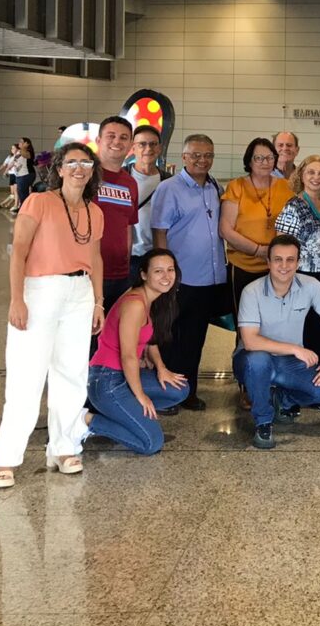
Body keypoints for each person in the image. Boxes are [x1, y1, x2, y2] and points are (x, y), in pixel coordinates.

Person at [0, 143, 105, 488]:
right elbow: (19, 252)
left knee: (71, 374)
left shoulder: (94, 211)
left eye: (85, 163)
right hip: (40, 291)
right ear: (58, 168)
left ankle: (64, 447)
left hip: (80, 293)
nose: (79, 169)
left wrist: (98, 301)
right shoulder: (38, 202)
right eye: (72, 163)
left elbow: (95, 258)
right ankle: (7, 458)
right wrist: (17, 299)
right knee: (27, 375)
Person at [238, 235, 320, 449]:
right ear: (268, 262)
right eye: (278, 259)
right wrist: (295, 348)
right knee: (259, 361)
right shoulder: (252, 291)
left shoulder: (311, 285)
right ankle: (263, 422)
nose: (284, 266)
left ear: (298, 262)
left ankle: (282, 400)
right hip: (252, 361)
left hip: (288, 363)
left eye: (290, 260)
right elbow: (250, 341)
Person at [150, 134, 231, 411]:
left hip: (207, 280)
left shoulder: (214, 187)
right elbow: (159, 232)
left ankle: (189, 392)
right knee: (170, 337)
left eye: (208, 155)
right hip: (179, 279)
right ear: (184, 157)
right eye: (195, 155)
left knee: (195, 339)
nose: (202, 160)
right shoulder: (168, 188)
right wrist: (164, 275)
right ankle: (166, 395)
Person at [85, 248, 188, 454]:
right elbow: (129, 355)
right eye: (158, 271)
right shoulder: (135, 304)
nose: (166, 276)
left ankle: (125, 414)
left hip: (121, 376)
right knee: (151, 443)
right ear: (143, 274)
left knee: (179, 388)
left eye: (170, 269)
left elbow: (149, 339)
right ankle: (84, 421)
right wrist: (140, 395)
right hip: (107, 380)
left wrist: (161, 368)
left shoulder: (149, 299)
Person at [220, 137, 295, 330]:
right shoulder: (236, 186)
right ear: (249, 161)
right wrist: (258, 250)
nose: (264, 162)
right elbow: (225, 229)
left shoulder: (285, 187)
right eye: (259, 158)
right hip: (243, 267)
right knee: (245, 325)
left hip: (277, 268)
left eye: (269, 158)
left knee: (274, 323)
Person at [274, 155, 320, 373]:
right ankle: (298, 381)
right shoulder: (294, 206)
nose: (316, 177)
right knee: (302, 329)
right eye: (311, 172)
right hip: (301, 278)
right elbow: (281, 246)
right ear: (301, 175)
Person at [91, 118, 139, 332]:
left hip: (120, 275)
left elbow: (128, 225)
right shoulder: (85, 176)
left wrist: (126, 266)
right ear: (99, 140)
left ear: (130, 145)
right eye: (111, 136)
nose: (117, 142)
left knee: (112, 338)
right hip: (88, 274)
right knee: (86, 338)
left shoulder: (130, 183)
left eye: (123, 138)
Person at [129, 125, 167, 279]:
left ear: (160, 148)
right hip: (129, 257)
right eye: (142, 144)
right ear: (133, 148)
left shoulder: (169, 181)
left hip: (157, 255)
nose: (148, 149)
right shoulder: (122, 177)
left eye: (153, 144)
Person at [11, 137, 35, 214]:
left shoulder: (28, 151)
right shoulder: (19, 152)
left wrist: (23, 148)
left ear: (27, 144)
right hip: (19, 175)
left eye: (21, 142)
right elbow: (14, 161)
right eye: (19, 141)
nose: (19, 143)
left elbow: (25, 155)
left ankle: (25, 208)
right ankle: (23, 207)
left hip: (27, 174)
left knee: (23, 192)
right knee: (21, 192)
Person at [0, 143, 19, 209]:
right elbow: (4, 165)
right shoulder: (9, 157)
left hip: (16, 175)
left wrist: (6, 171)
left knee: (15, 192)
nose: (12, 149)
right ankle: (8, 204)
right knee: (12, 193)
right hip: (11, 175)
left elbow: (13, 165)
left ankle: (4, 203)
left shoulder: (18, 156)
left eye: (14, 148)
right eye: (11, 148)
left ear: (18, 149)